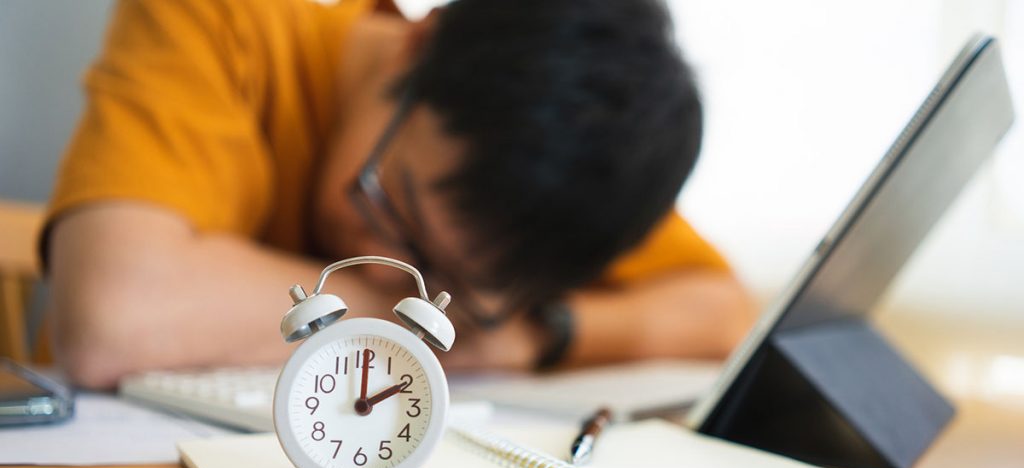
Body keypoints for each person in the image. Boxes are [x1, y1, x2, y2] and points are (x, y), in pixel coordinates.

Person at [42, 0, 754, 389]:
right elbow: (113, 315)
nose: (391, 271)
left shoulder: (581, 164)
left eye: (461, 283)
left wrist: (539, 332)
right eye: (394, 207)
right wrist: (436, 321)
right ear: (416, 47)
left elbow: (728, 315)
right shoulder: (220, 20)